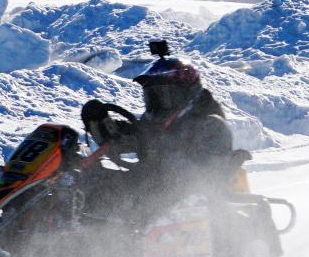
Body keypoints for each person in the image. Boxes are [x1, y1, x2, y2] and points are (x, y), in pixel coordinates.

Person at [79, 41, 240, 226]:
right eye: (152, 97)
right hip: (151, 189)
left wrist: (156, 151)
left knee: (125, 198)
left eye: (162, 96)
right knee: (89, 183)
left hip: (180, 199)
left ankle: (108, 235)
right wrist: (102, 126)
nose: (157, 104)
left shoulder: (211, 126)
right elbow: (135, 136)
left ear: (186, 94)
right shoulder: (158, 125)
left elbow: (205, 175)